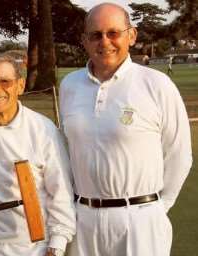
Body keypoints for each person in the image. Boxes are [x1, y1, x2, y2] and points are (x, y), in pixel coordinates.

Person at [59, 3, 192, 256]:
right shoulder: (70, 85)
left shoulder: (157, 84)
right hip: (84, 221)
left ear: (131, 36)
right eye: (95, 35)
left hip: (140, 222)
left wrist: (155, 210)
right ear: (84, 41)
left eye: (113, 33)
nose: (104, 42)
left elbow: (179, 155)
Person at [0, 54, 76, 256]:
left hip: (33, 247)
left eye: (5, 82)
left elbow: (60, 192)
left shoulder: (42, 129)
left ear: (20, 85)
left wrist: (57, 245)